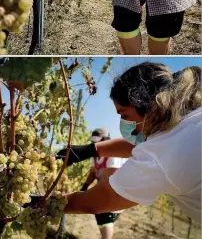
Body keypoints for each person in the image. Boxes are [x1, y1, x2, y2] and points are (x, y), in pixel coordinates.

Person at [56, 62, 201, 223]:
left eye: (124, 115)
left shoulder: (162, 155)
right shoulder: (188, 120)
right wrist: (91, 149)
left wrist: (44, 202)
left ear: (149, 107)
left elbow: (98, 200)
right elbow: (146, 144)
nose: (124, 124)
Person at [81, 128, 126, 239]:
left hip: (114, 193)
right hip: (102, 192)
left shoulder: (113, 154)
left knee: (106, 218)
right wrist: (85, 186)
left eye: (97, 142)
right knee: (100, 216)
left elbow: (111, 179)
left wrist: (92, 194)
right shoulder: (95, 156)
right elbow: (92, 172)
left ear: (106, 140)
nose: (94, 145)